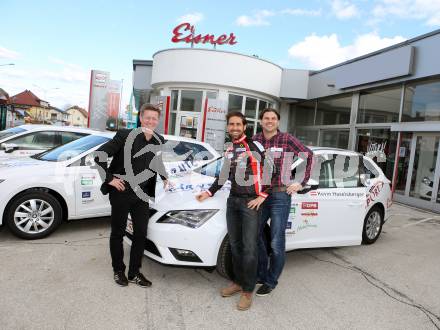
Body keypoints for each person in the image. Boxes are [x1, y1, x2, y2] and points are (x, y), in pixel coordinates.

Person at [196, 111, 269, 311]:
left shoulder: (255, 146)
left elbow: (272, 171)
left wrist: (262, 196)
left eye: (238, 124)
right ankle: (237, 282)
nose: (234, 127)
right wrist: (209, 193)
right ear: (228, 127)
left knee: (249, 249)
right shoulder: (230, 148)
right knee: (236, 247)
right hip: (233, 202)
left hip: (250, 204)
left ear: (244, 126)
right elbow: (223, 175)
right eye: (231, 124)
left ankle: (247, 290)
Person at [95, 104, 169, 288]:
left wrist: (165, 176)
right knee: (118, 232)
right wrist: (110, 178)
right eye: (147, 117)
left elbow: (156, 161)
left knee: (141, 234)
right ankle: (118, 270)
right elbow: (99, 155)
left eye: (154, 118)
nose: (151, 121)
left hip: (142, 193)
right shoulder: (125, 135)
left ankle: (134, 272)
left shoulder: (158, 140)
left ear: (157, 121)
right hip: (121, 191)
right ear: (141, 118)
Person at [253, 108, 313, 296]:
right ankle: (261, 274)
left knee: (276, 241)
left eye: (273, 118)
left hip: (280, 195)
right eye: (266, 118)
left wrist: (300, 182)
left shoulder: (287, 139)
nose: (269, 121)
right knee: (255, 236)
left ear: (278, 122)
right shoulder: (255, 140)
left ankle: (271, 280)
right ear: (261, 121)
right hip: (260, 195)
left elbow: (309, 156)